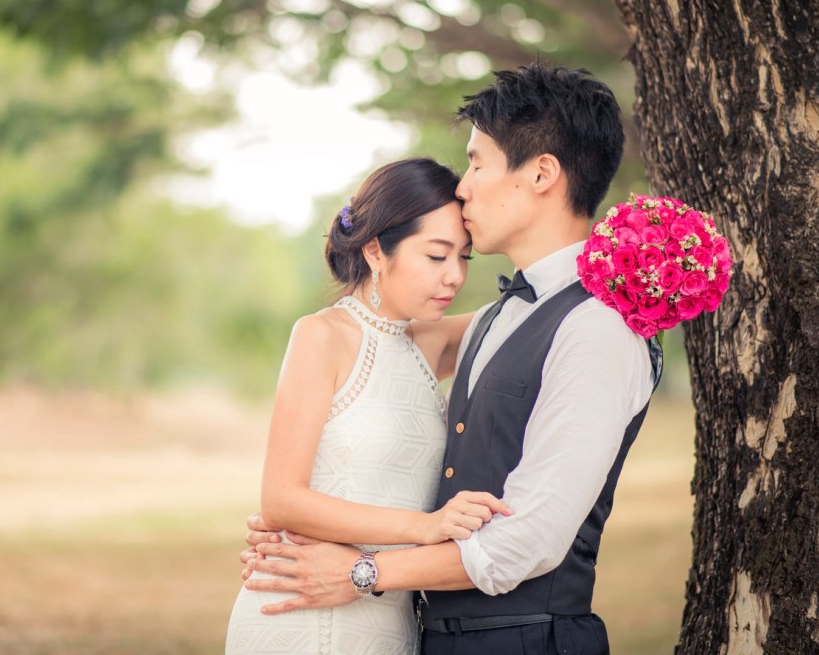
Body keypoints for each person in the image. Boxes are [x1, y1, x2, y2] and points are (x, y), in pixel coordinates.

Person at [241, 65, 662, 655]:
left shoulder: (595, 326)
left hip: (522, 639)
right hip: (411, 630)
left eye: (477, 162)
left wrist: (362, 570)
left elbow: (531, 538)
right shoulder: (494, 318)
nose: (463, 186)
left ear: (542, 172)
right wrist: (297, 520)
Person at [225, 157, 513, 654]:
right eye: (436, 256)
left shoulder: (433, 341)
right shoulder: (323, 335)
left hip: (387, 614)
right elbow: (281, 500)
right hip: (301, 617)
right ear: (377, 249)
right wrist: (425, 527)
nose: (455, 278)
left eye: (465, 258)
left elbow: (538, 308)